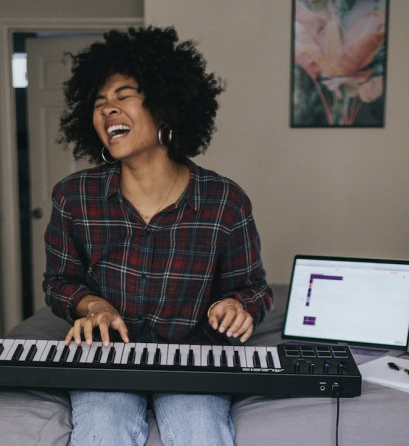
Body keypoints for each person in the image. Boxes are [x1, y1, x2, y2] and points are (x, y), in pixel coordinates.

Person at [43, 26, 273, 446]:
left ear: (166, 107)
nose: (107, 109)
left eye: (123, 95)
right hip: (108, 356)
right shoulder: (73, 196)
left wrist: (237, 305)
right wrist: (92, 305)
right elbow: (59, 282)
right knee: (101, 432)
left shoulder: (225, 201)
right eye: (99, 103)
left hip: (194, 358)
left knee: (200, 432)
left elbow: (254, 288)